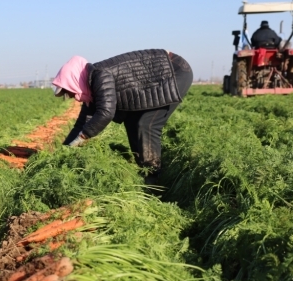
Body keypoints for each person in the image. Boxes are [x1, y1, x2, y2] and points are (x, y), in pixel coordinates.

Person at [52, 49, 193, 185]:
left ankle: (152, 178)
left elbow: (106, 113)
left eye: (69, 92)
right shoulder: (90, 88)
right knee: (132, 121)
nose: (72, 97)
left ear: (74, 80)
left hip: (174, 70)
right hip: (159, 78)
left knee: (146, 124)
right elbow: (81, 124)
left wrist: (82, 137)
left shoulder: (99, 75)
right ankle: (144, 169)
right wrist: (63, 153)